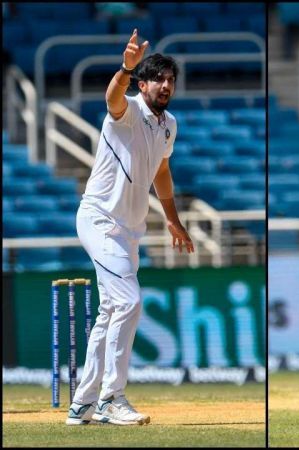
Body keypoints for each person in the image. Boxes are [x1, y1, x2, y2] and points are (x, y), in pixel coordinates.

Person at [65, 29, 194, 426]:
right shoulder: (129, 111)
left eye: (171, 80)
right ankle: (111, 398)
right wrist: (125, 67)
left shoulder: (169, 123)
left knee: (110, 311)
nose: (166, 85)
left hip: (128, 230)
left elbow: (162, 170)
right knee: (129, 302)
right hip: (100, 219)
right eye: (159, 79)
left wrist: (173, 218)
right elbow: (111, 98)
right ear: (144, 84)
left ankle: (82, 404)